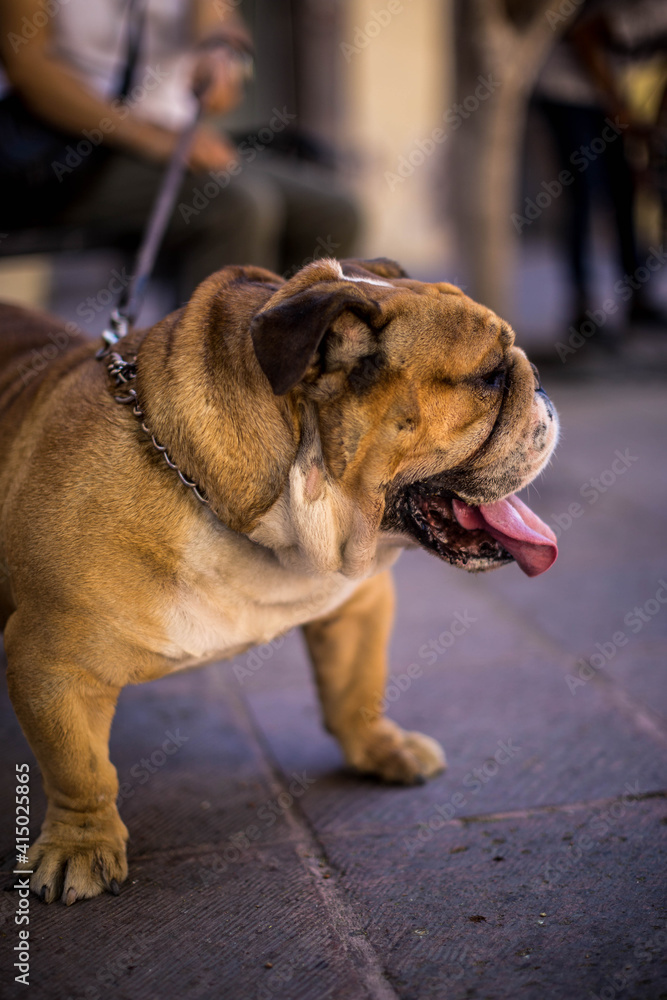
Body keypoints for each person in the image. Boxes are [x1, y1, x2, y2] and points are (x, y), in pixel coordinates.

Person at [0, 0, 360, 303]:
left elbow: (218, 19)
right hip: (67, 153)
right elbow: (28, 64)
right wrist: (151, 138)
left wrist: (224, 52)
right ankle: (206, 375)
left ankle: (288, 363)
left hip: (175, 140)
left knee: (333, 212)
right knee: (237, 207)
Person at [533, 0, 667, 331]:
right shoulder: (656, 9)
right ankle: (581, 306)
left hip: (606, 92)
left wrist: (654, 132)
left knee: (626, 190)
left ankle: (638, 298)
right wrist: (618, 109)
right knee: (584, 190)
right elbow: (584, 36)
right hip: (565, 89)